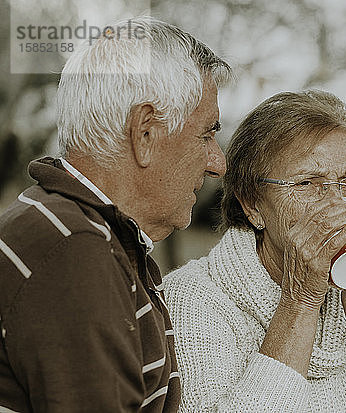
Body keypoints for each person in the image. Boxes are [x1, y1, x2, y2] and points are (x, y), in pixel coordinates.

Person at [164, 90, 346, 412]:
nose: (336, 204)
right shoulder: (193, 298)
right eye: (308, 183)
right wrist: (300, 302)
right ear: (252, 204)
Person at [0, 16, 230, 412]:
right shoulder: (74, 250)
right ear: (145, 134)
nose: (217, 163)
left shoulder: (75, 232)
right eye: (207, 134)